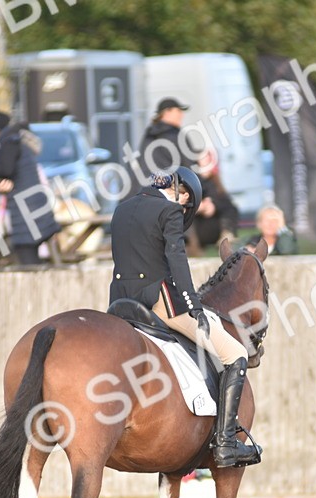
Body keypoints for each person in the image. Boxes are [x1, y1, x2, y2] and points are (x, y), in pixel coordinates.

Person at [109, 166, 260, 468]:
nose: (184, 208)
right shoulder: (169, 212)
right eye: (187, 202)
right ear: (183, 193)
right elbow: (177, 262)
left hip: (120, 303)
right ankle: (226, 443)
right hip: (159, 303)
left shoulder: (122, 209)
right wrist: (194, 306)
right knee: (236, 354)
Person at [0, 111, 59, 267]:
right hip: (36, 207)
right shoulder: (20, 141)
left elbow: (6, 170)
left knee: (27, 261)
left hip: (26, 212)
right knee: (37, 259)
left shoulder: (9, 142)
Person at [130, 97, 195, 193]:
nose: (181, 115)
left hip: (145, 191)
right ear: (167, 112)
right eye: (178, 111)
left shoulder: (149, 135)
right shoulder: (176, 135)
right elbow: (189, 168)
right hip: (168, 192)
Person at [188, 147, 239, 256]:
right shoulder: (191, 179)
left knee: (230, 208)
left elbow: (226, 202)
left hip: (213, 225)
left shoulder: (215, 181)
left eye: (208, 157)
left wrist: (213, 205)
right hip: (197, 226)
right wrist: (199, 207)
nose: (206, 160)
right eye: (203, 158)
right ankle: (192, 247)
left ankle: (227, 236)